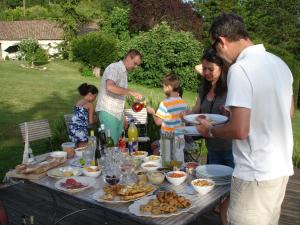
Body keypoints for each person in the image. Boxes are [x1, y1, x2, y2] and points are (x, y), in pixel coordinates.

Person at [197, 12, 294, 225]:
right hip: (280, 169)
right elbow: (286, 113)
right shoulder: (280, 64)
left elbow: (240, 130)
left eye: (215, 48)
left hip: (254, 172)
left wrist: (209, 131)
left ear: (221, 40)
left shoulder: (240, 68)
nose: (218, 54)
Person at [189, 48, 233, 168]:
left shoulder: (231, 88)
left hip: (231, 149)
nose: (207, 72)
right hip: (212, 147)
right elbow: (195, 111)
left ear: (221, 68)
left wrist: (228, 113)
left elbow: (239, 119)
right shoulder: (204, 88)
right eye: (204, 69)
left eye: (211, 69)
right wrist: (186, 114)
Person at [96, 49, 143, 144]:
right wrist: (130, 92)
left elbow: (120, 97)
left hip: (118, 113)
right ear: (129, 57)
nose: (136, 67)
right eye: (135, 63)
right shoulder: (114, 68)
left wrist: (124, 116)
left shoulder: (124, 73)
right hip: (108, 111)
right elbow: (109, 86)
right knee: (111, 147)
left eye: (137, 64)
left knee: (117, 146)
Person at [147, 74, 188, 162]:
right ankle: (179, 174)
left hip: (167, 136)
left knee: (166, 161)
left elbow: (158, 122)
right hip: (180, 136)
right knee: (178, 160)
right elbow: (184, 119)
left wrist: (153, 112)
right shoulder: (184, 103)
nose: (163, 89)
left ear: (169, 87)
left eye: (164, 87)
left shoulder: (164, 103)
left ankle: (166, 175)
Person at [69, 83, 98, 147]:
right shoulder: (90, 105)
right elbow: (90, 122)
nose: (95, 99)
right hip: (81, 129)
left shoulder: (78, 102)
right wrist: (96, 119)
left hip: (72, 129)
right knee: (87, 147)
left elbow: (79, 116)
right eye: (95, 96)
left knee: (77, 147)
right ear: (90, 94)